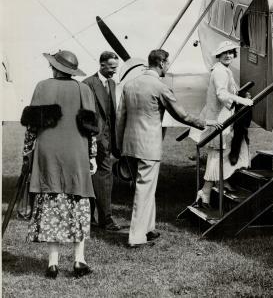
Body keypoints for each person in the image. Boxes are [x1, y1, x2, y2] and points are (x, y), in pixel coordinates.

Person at [116, 49, 220, 247]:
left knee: (146, 189)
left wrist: (120, 145)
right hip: (149, 148)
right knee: (143, 191)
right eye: (168, 63)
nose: (168, 66)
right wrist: (206, 122)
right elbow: (182, 115)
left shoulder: (129, 85)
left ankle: (148, 229)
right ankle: (136, 238)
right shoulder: (160, 87)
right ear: (162, 63)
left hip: (129, 147)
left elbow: (120, 118)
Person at [21, 50, 98, 278]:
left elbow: (31, 128)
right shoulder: (84, 89)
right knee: (78, 205)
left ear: (55, 68)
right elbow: (91, 130)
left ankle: (52, 263)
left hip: (48, 154)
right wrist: (92, 155)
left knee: (51, 204)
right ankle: (79, 261)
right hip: (76, 154)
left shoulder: (42, 87)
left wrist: (27, 153)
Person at [196, 41, 253, 207]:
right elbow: (222, 94)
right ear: (218, 56)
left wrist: (241, 94)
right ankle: (205, 192)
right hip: (219, 120)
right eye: (224, 53)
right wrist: (243, 100)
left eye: (231, 52)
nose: (228, 55)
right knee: (216, 157)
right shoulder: (220, 71)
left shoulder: (223, 70)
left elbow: (228, 92)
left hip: (222, 118)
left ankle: (220, 183)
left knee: (221, 155)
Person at [83, 51, 121, 231]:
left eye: (116, 67)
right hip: (93, 140)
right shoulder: (87, 84)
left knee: (102, 178)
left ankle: (99, 219)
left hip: (107, 140)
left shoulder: (112, 84)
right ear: (102, 64)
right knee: (97, 178)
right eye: (112, 67)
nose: (115, 71)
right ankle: (98, 219)